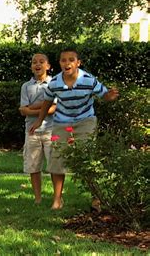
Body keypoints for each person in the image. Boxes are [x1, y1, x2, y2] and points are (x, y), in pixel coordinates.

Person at [29, 48, 118, 210]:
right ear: (60, 63)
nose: (67, 63)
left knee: (87, 157)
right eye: (63, 60)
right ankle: (57, 200)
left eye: (71, 60)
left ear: (78, 63)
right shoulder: (54, 82)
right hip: (62, 122)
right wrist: (39, 121)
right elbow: (47, 103)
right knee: (57, 159)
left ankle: (96, 198)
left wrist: (109, 96)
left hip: (86, 121)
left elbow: (104, 94)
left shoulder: (88, 80)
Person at [19, 53, 56, 205]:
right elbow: (23, 110)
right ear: (31, 67)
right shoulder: (26, 86)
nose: (38, 64)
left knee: (55, 165)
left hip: (51, 130)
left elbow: (54, 108)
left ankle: (57, 198)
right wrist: (44, 106)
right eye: (34, 62)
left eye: (41, 62)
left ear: (48, 66)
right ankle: (38, 199)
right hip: (31, 131)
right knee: (33, 166)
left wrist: (31, 109)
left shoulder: (54, 84)